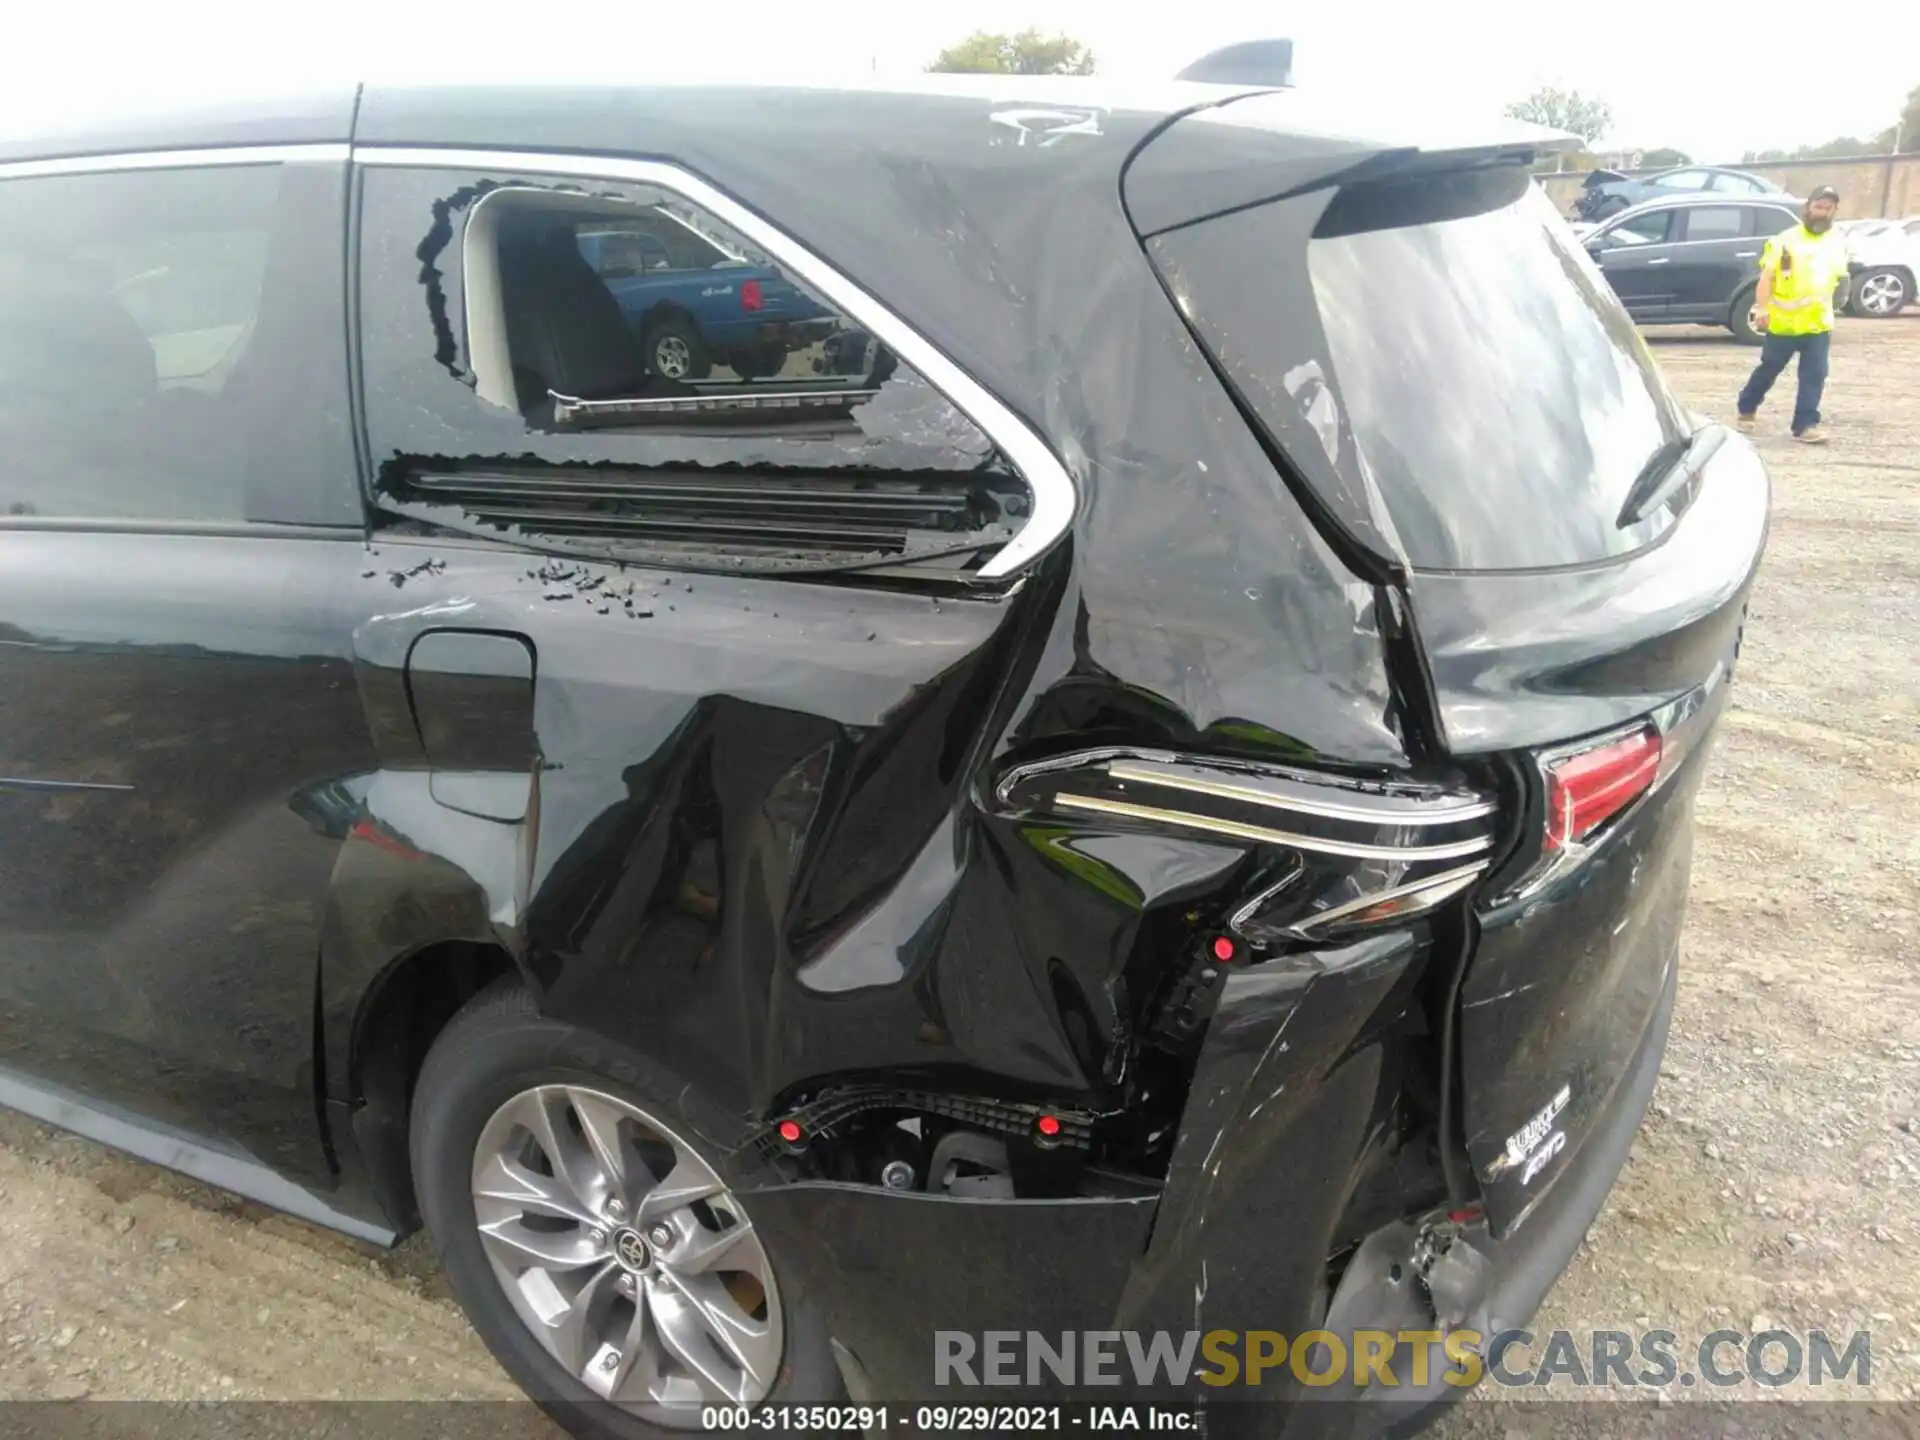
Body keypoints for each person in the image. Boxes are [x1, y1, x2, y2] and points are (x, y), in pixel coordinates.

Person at [1735, 185, 1848, 444]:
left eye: (1828, 208)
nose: (1822, 213)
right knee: (1769, 369)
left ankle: (1805, 425)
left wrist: (1841, 300)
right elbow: (1767, 278)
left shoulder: (1836, 243)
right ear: (1808, 208)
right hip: (1783, 324)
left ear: (1834, 212)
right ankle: (1746, 407)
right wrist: (1762, 308)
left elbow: (1841, 277)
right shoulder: (1785, 241)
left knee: (1815, 375)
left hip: (1817, 325)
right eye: (1818, 207)